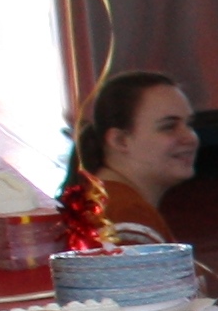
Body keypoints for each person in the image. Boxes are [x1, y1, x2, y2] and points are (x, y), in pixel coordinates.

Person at [69, 70, 196, 235]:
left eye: (189, 124)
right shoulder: (126, 214)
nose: (190, 138)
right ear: (120, 140)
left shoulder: (104, 198)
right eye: (169, 127)